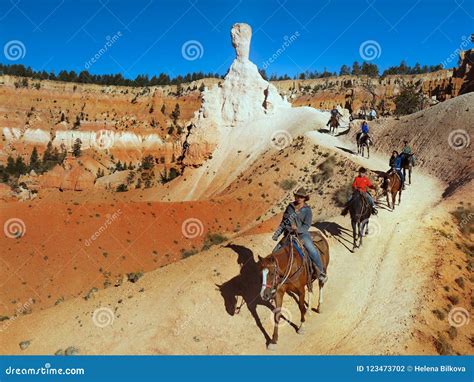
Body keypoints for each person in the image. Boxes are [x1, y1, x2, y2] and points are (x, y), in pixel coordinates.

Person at [272, 187, 327, 283]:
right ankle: (273, 277)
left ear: (305, 198)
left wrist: (297, 229)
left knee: (312, 250)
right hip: (288, 234)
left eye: (301, 197)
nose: (299, 198)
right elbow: (284, 221)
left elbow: (307, 225)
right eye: (298, 196)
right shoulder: (290, 207)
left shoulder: (307, 210)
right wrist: (278, 233)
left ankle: (321, 272)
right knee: (274, 252)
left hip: (302, 235)